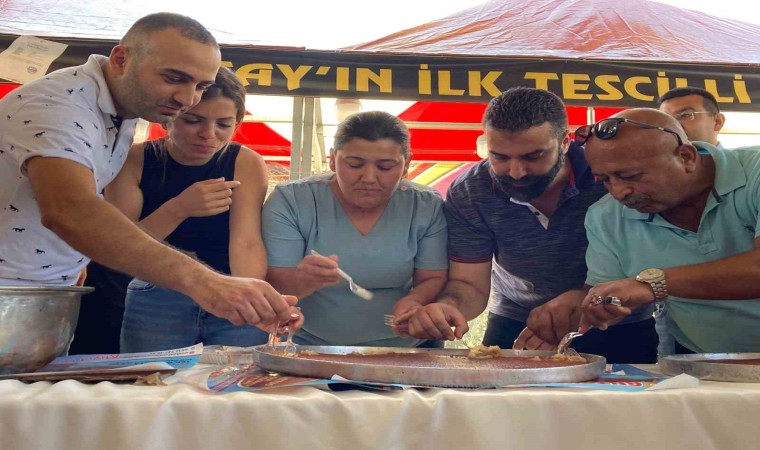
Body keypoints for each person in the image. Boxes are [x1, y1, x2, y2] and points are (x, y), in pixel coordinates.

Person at [0, 12, 295, 335]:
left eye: (201, 86)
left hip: (42, 294)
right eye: (174, 78)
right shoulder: (59, 106)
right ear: (121, 59)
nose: (187, 99)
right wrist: (206, 283)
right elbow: (70, 209)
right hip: (12, 293)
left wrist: (72, 260)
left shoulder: (120, 110)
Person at [405, 87, 659, 363]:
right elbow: (469, 283)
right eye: (499, 157)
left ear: (565, 142)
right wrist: (448, 307)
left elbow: (651, 254)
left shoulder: (610, 176)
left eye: (533, 156)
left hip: (620, 321)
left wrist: (588, 299)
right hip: (518, 320)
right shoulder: (470, 191)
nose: (516, 172)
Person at [104, 67, 291, 351]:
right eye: (193, 120)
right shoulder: (135, 159)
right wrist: (179, 208)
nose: (208, 134)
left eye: (224, 124)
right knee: (152, 377)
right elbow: (117, 247)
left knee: (238, 378)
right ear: (168, 118)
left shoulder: (245, 162)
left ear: (238, 123)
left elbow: (246, 242)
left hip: (231, 289)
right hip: (158, 293)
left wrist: (251, 296)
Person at [577, 108, 760, 354]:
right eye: (605, 180)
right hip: (701, 361)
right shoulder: (606, 216)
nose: (619, 192)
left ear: (686, 157)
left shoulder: (755, 172)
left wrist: (654, 283)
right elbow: (611, 297)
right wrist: (595, 306)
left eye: (630, 176)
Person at [261, 111, 448, 347]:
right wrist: (303, 280)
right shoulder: (292, 201)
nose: (369, 178)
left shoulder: (425, 205)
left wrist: (415, 301)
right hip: (309, 346)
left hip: (410, 348)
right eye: (354, 164)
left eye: (386, 167)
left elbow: (432, 277)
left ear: (406, 165)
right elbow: (274, 282)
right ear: (332, 159)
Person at [652, 87, 726, 356]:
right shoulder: (645, 192)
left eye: (686, 115)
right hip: (687, 339)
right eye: (667, 120)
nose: (675, 126)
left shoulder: (750, 173)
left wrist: (651, 284)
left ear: (717, 121)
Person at [658, 87, 725, 148]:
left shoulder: (731, 158)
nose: (672, 125)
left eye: (685, 115)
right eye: (666, 118)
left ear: (717, 122)